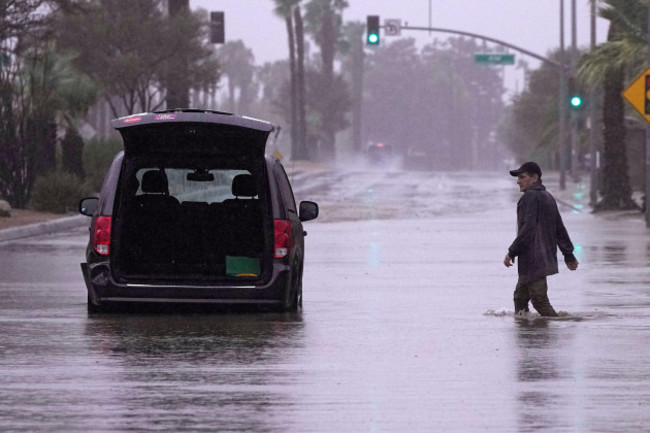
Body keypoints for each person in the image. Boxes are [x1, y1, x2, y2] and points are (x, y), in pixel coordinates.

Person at [503, 162, 579, 317]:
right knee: (520, 298)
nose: (518, 181)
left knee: (539, 300)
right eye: (518, 178)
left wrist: (511, 252)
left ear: (534, 178)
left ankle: (551, 334)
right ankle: (528, 335)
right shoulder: (548, 197)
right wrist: (568, 254)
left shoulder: (530, 197)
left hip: (533, 259)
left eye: (522, 177)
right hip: (543, 257)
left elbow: (528, 229)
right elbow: (559, 228)